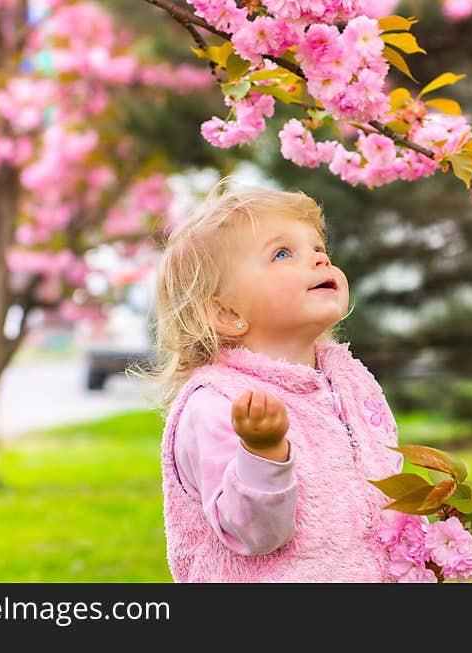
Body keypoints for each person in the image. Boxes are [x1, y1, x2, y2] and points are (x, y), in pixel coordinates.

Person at [140, 180, 403, 582]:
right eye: (283, 253)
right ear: (227, 314)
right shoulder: (218, 403)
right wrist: (262, 453)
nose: (319, 261)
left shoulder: (348, 382)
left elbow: (383, 486)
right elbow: (254, 532)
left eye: (320, 249)